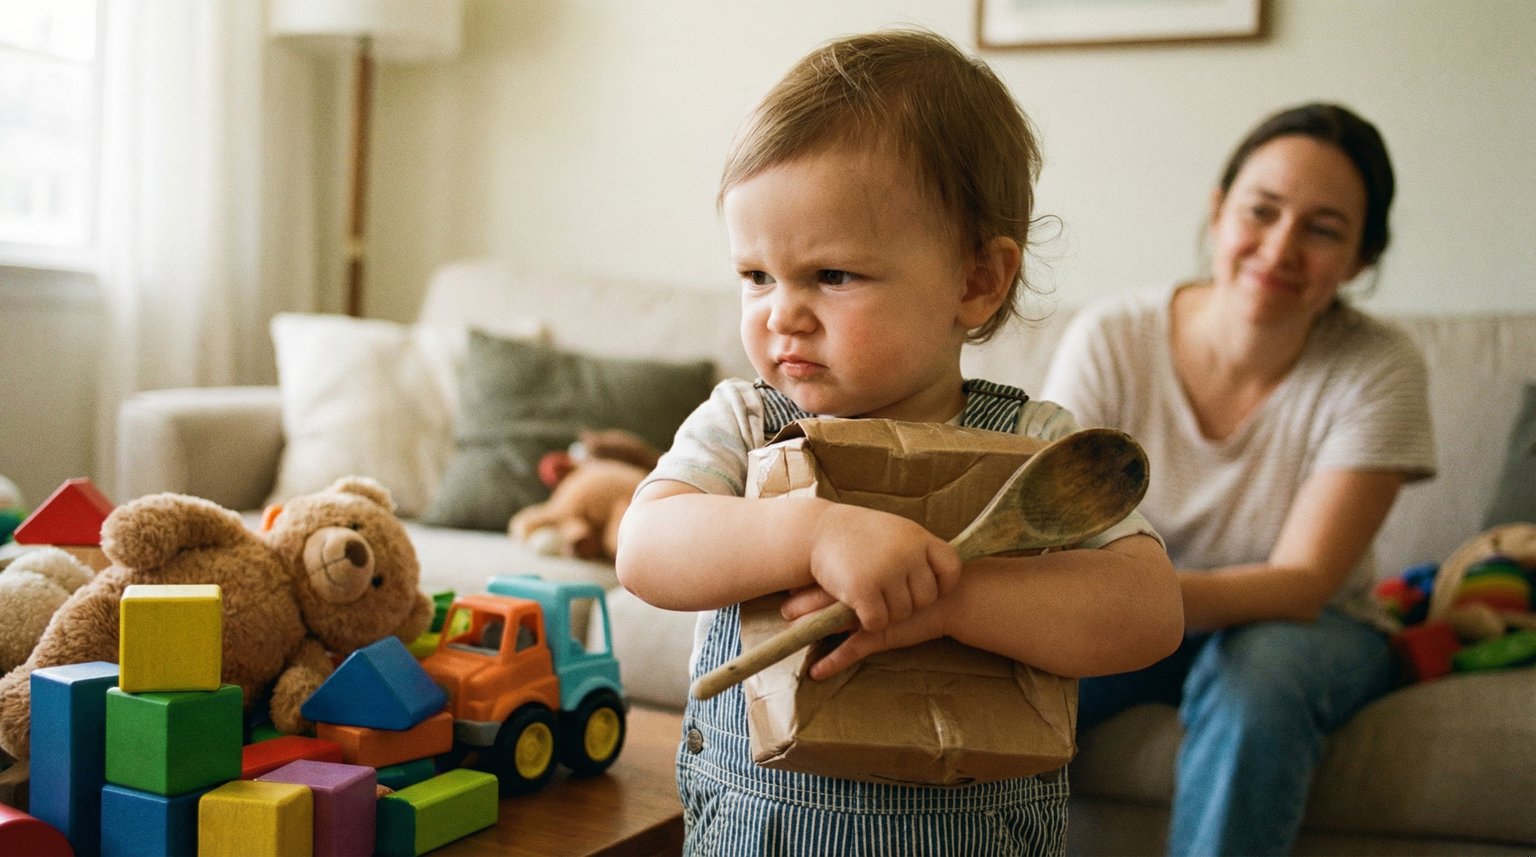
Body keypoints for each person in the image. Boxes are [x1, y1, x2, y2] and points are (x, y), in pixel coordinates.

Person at [615, 29, 1183, 856]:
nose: (782, 313)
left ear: (975, 281)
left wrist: (951, 596)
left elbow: (1149, 610)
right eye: (757, 276)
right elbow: (646, 547)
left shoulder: (1034, 443)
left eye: (832, 275)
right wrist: (814, 531)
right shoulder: (746, 422)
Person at [1040, 102, 1436, 856]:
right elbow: (1053, 536)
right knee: (1004, 676)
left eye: (1323, 229)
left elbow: (1302, 581)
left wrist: (1121, 599)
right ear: (1220, 213)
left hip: (1306, 628)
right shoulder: (1113, 337)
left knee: (1260, 678)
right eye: (1262, 211)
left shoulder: (1382, 368)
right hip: (1127, 612)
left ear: (1359, 259)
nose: (1281, 247)